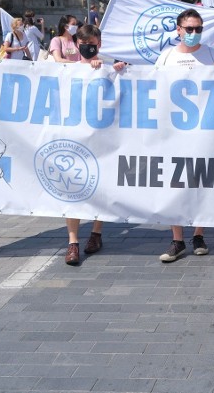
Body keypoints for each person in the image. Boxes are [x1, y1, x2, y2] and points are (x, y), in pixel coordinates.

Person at [155, 8, 214, 263]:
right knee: (174, 184)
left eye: (199, 29)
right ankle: (177, 239)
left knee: (201, 183)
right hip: (173, 133)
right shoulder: (166, 58)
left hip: (205, 132)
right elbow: (150, 87)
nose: (194, 33)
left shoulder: (212, 54)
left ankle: (198, 233)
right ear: (178, 30)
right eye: (189, 29)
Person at [65, 24, 126, 265]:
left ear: (99, 44)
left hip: (103, 136)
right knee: (72, 189)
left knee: (101, 184)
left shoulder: (109, 66)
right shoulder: (67, 70)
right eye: (83, 44)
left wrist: (120, 70)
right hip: (75, 135)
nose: (88, 48)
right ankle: (72, 242)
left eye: (92, 44)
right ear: (76, 45)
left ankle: (96, 232)